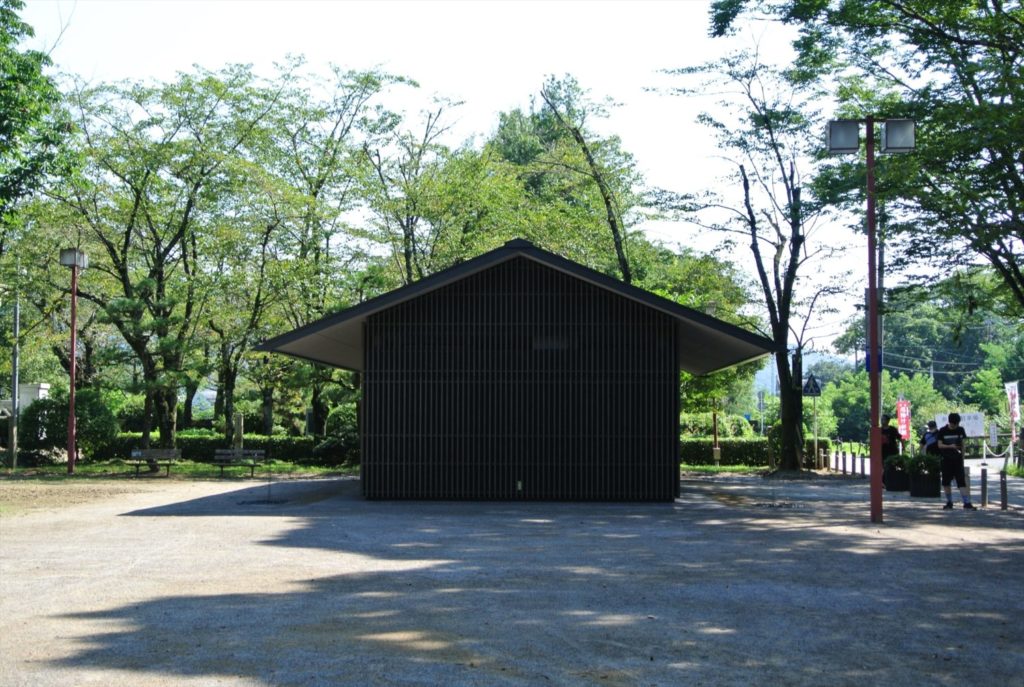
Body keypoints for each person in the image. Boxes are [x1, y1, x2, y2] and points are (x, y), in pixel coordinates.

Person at [936, 412, 977, 511]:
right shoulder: (942, 431)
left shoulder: (960, 430)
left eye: (957, 424)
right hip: (946, 459)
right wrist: (950, 446)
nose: (956, 425)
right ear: (950, 422)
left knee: (961, 481)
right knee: (946, 482)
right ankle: (949, 502)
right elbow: (939, 445)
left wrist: (962, 458)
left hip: (957, 460)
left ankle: (966, 503)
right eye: (955, 424)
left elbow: (963, 445)